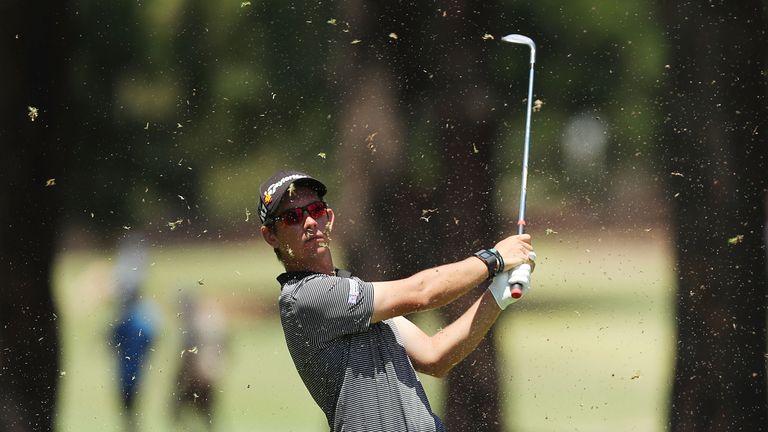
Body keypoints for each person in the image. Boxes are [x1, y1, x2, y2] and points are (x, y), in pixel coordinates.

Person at [258, 170, 536, 432]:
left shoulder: (354, 293)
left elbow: (434, 356)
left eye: (315, 211)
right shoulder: (305, 297)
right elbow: (421, 293)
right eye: (291, 217)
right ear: (271, 235)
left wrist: (497, 296)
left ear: (328, 216)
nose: (309, 222)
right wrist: (494, 259)